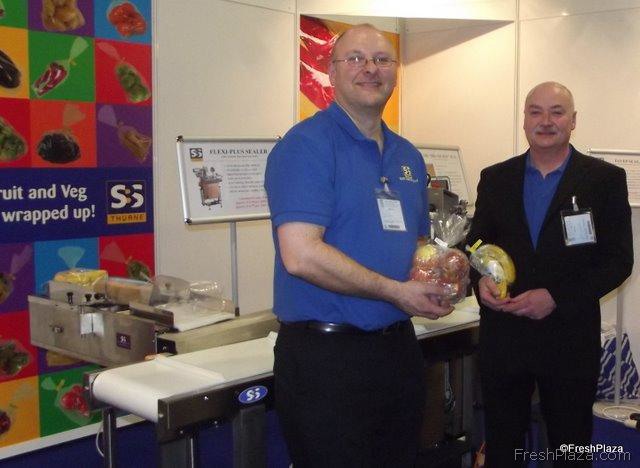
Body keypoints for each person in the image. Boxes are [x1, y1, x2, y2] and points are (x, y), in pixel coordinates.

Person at [264, 24, 453, 467]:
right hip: (326, 360)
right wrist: (396, 291)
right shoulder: (305, 147)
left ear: (395, 73)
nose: (370, 68)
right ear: (332, 73)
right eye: (355, 59)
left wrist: (440, 272)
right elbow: (300, 255)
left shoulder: (407, 156)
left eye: (382, 60)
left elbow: (415, 243)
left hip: (397, 351)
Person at [467, 81, 633, 467]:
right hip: (505, 336)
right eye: (536, 112)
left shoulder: (603, 180)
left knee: (570, 449)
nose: (546, 121)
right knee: (503, 447)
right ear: (524, 120)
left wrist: (556, 297)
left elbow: (618, 260)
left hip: (569, 338)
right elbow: (476, 245)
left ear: (573, 121)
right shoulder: (496, 178)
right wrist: (481, 281)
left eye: (557, 112)